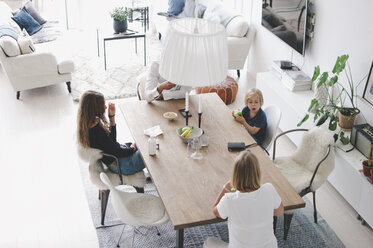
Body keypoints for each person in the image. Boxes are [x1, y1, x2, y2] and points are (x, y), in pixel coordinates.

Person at [204, 151, 284, 248]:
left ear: (235, 175)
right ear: (258, 172)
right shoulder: (269, 189)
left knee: (209, 241)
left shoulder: (229, 199)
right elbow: (279, 212)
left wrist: (226, 187)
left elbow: (216, 211)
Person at [77, 90, 145, 180]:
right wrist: (133, 148)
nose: (105, 107)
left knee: (144, 143)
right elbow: (116, 151)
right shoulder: (95, 130)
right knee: (148, 148)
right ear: (94, 108)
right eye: (102, 105)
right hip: (122, 164)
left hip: (117, 160)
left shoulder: (88, 124)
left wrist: (111, 117)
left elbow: (112, 142)